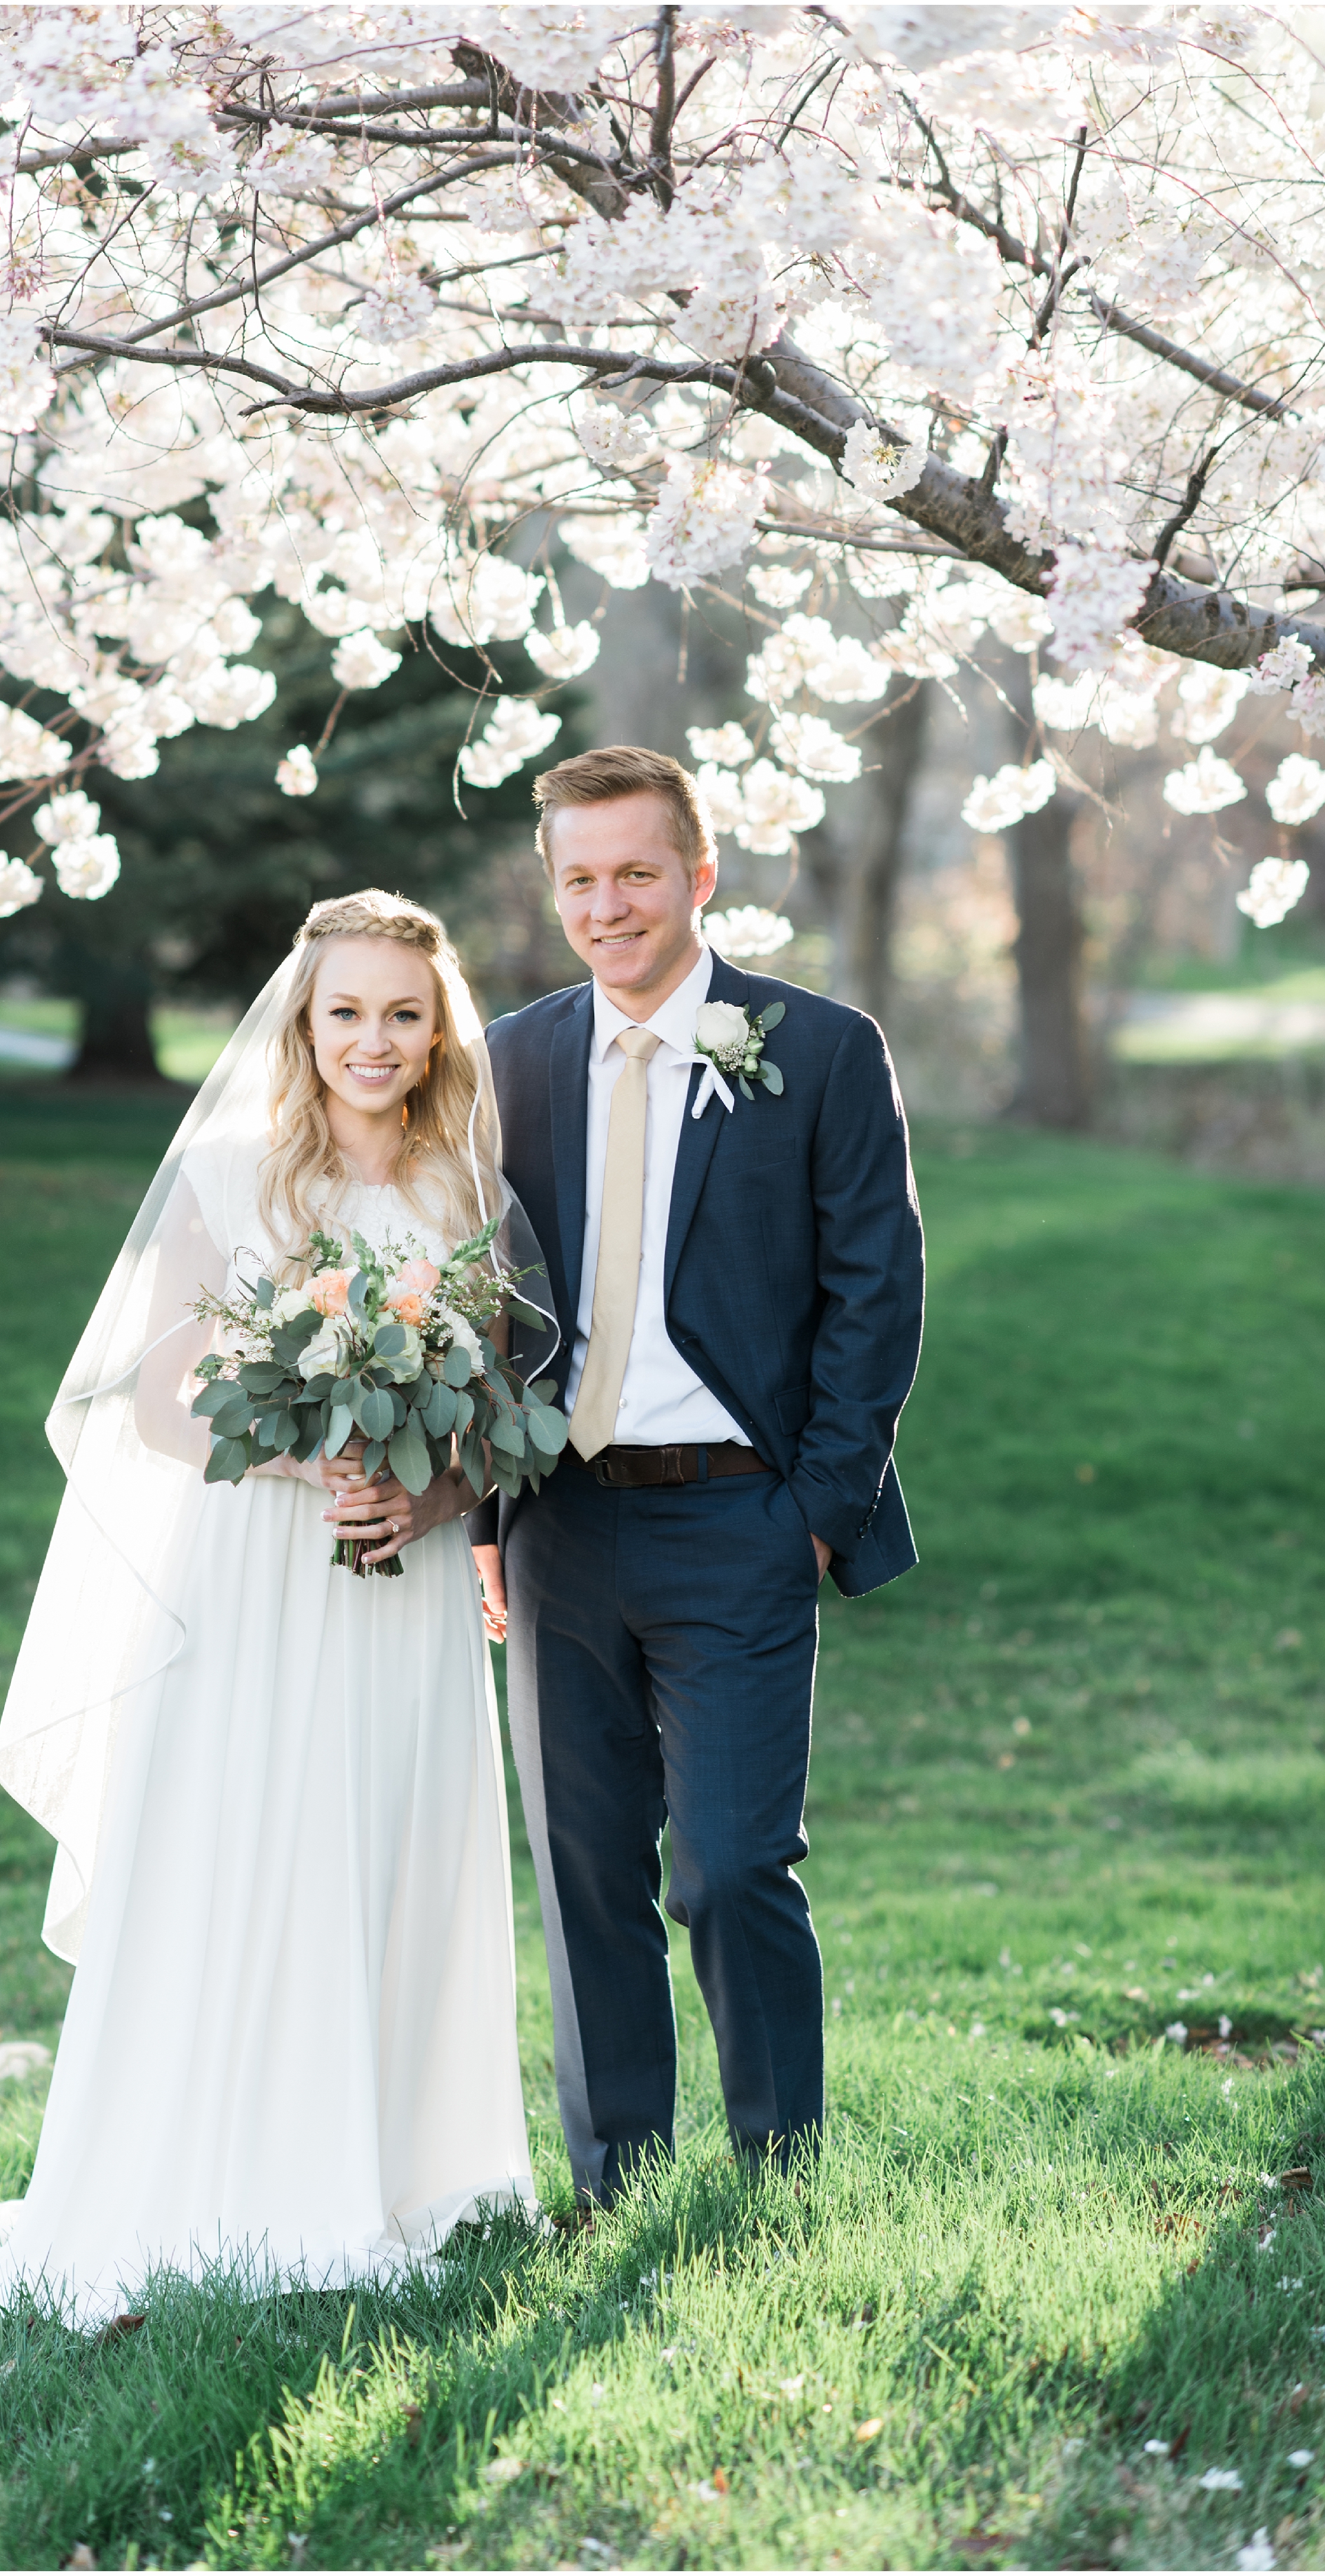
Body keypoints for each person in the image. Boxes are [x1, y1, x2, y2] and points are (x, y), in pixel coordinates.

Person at [0, 892, 536, 2326]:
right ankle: (209, 2161)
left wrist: (422, 1496)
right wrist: (314, 1441)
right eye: (347, 1012)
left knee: (385, 1843)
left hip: (402, 1585)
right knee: (243, 1841)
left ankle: (395, 2162)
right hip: (256, 1579)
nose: (374, 1041)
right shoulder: (229, 1174)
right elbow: (154, 1404)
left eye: (404, 1013)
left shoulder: (475, 1196)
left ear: (436, 1025)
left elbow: (500, 1418)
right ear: (304, 1019)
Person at [467, 746, 925, 2205]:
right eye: (580, 878)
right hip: (558, 1521)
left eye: (636, 874)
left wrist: (815, 1512)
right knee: (587, 1876)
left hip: (742, 1514)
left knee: (729, 1869)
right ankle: (616, 2185)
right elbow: (472, 1300)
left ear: (698, 875)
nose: (607, 905)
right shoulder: (510, 1058)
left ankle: (776, 2175)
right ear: (556, 888)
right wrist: (482, 1510)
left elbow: (876, 1291)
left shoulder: (819, 1048)